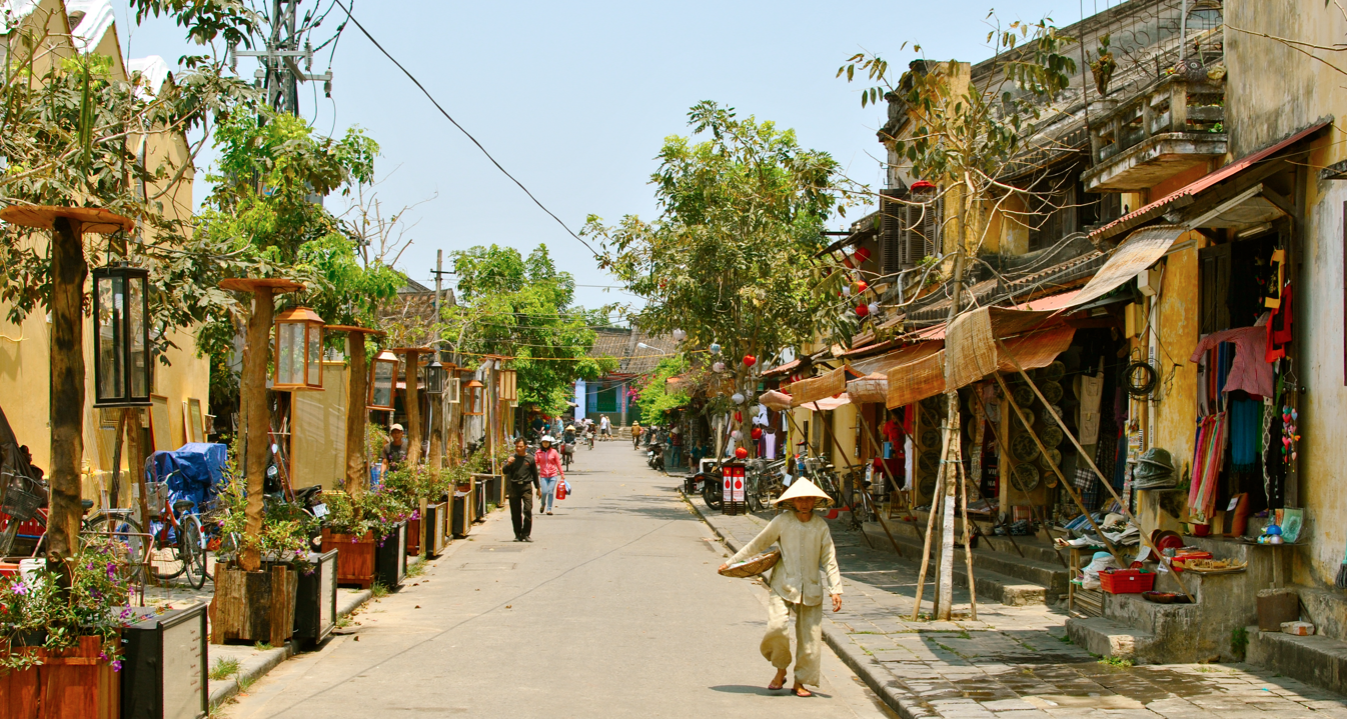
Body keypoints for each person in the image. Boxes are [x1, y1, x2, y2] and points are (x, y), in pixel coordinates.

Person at [719, 478, 842, 697]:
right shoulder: (782, 522)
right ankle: (780, 669)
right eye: (800, 499)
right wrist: (731, 562)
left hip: (811, 589)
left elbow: (829, 559)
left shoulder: (820, 526)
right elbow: (758, 543)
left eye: (808, 499)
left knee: (810, 638)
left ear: (815, 501)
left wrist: (836, 589)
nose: (804, 503)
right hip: (782, 584)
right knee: (777, 628)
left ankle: (801, 682)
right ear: (792, 501)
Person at [503, 438, 540, 542]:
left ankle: (526, 533)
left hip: (526, 487)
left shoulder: (530, 459)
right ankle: (518, 534)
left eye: (520, 446)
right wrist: (508, 464)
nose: (518, 449)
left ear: (525, 447)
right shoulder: (512, 459)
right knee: (515, 512)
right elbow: (504, 471)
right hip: (514, 487)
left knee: (527, 510)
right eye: (516, 446)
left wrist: (538, 488)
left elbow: (535, 474)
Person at [535, 436, 566, 515]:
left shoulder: (554, 452)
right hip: (543, 475)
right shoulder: (538, 452)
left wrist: (562, 474)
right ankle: (543, 504)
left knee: (550, 491)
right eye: (544, 442)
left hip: (553, 475)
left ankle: (549, 509)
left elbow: (558, 463)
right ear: (541, 443)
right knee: (544, 492)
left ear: (549, 443)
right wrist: (533, 472)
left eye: (547, 442)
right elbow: (535, 463)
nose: (545, 444)